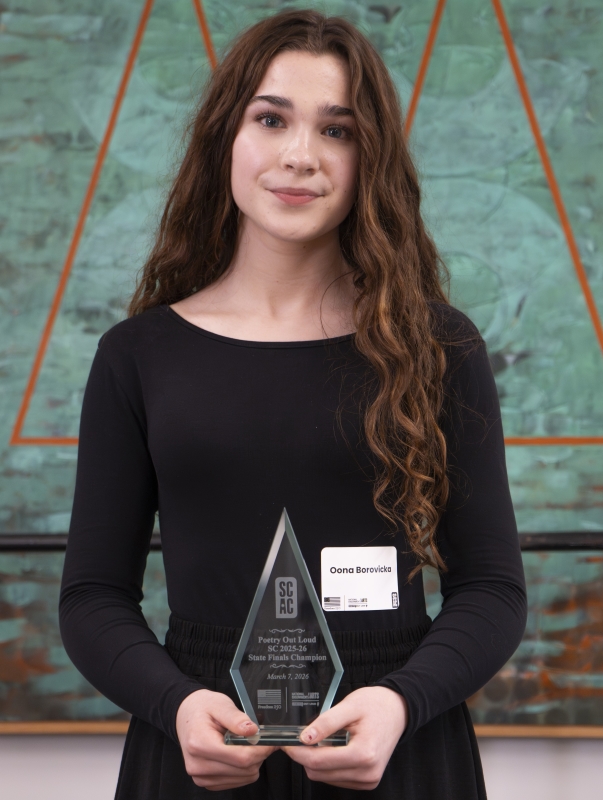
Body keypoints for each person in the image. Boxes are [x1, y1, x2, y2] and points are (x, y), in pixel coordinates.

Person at [59, 9, 527, 799]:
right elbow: (92, 598)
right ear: (225, 138)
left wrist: (398, 702)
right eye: (270, 118)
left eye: (337, 131)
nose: (300, 156)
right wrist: (176, 705)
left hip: (398, 749)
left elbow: (491, 590)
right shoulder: (136, 355)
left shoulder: (440, 346)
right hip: (197, 752)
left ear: (369, 158)